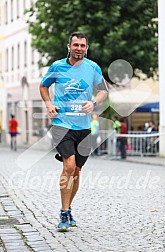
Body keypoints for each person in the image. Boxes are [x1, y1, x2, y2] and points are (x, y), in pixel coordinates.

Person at [40, 31, 108, 231]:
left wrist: (93, 102)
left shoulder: (92, 67)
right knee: (68, 166)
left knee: (77, 171)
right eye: (76, 45)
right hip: (62, 124)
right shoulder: (57, 66)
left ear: (86, 48)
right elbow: (43, 87)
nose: (79, 48)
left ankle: (68, 209)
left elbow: (103, 91)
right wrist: (49, 104)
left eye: (83, 45)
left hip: (84, 127)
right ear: (69, 46)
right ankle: (63, 213)